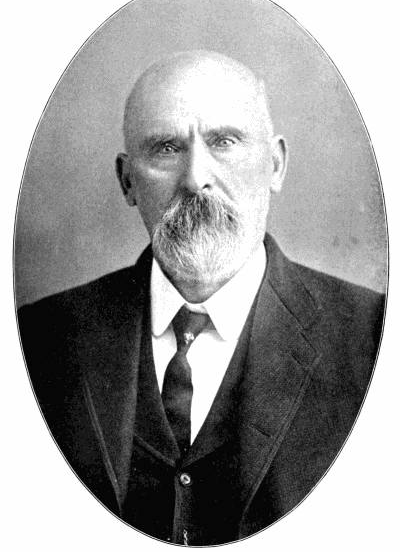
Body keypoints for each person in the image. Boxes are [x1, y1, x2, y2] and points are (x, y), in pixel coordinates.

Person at [18, 50, 384, 546]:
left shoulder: (372, 337)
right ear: (127, 180)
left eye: (224, 142)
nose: (195, 178)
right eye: (166, 148)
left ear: (275, 165)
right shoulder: (41, 336)